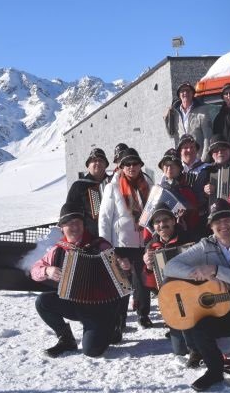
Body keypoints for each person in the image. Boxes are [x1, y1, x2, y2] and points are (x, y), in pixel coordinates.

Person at [163, 199, 230, 391]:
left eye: (227, 220)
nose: (223, 225)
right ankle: (215, 371)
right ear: (210, 226)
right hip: (223, 311)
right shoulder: (205, 245)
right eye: (217, 222)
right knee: (199, 327)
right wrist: (199, 274)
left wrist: (216, 270)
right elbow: (170, 267)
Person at [31, 202, 132, 358]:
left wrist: (123, 266)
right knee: (43, 302)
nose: (75, 227)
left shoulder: (100, 245)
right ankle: (66, 339)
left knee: (92, 351)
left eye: (78, 222)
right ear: (62, 227)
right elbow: (35, 270)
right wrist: (47, 270)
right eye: (69, 223)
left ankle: (112, 326)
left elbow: (122, 275)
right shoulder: (58, 249)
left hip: (101, 308)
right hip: (74, 304)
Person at [98, 147, 153, 337]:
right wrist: (106, 246)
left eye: (135, 163)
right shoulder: (112, 187)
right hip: (121, 243)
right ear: (121, 167)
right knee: (122, 284)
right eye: (127, 164)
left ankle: (143, 314)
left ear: (140, 165)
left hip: (143, 241)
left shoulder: (148, 184)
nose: (131, 167)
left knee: (143, 281)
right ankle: (119, 320)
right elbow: (104, 218)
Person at [142, 205, 200, 352]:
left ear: (174, 221)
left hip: (194, 294)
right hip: (172, 300)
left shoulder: (190, 238)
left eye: (166, 220)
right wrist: (148, 267)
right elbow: (152, 285)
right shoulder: (151, 246)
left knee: (197, 342)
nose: (162, 224)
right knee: (180, 350)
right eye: (157, 222)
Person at [156, 148, 203, 240]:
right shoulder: (157, 190)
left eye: (173, 165)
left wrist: (184, 218)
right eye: (166, 165)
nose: (169, 169)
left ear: (179, 169)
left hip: (184, 236)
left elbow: (194, 218)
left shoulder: (187, 190)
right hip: (161, 236)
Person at [64, 147, 111, 237]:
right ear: (88, 166)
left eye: (101, 160)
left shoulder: (113, 183)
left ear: (106, 165)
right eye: (94, 160)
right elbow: (70, 212)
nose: (97, 163)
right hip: (88, 236)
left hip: (112, 234)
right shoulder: (78, 185)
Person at [164, 81, 212, 156]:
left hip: (198, 158)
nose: (185, 93)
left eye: (188, 90)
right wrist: (167, 119)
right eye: (182, 91)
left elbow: (208, 137)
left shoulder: (202, 111)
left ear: (193, 93)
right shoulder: (175, 114)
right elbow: (171, 135)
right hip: (183, 157)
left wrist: (204, 157)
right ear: (179, 95)